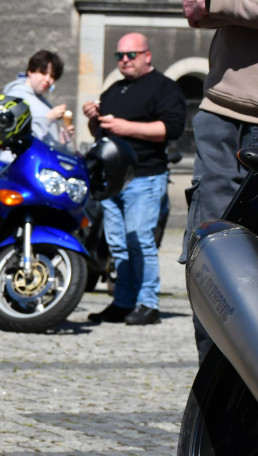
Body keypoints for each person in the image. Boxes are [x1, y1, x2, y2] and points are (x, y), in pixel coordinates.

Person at [180, 0, 258, 361]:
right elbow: (194, 11)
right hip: (218, 112)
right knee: (210, 262)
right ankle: (213, 404)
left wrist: (221, 5)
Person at [83, 33, 186, 326]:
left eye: (131, 55)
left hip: (145, 176)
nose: (124, 61)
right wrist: (93, 118)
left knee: (139, 240)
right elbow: (101, 133)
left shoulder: (165, 88)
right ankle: (123, 301)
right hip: (113, 181)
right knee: (117, 245)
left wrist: (125, 126)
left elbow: (171, 129)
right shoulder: (114, 90)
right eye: (120, 56)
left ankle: (147, 303)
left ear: (147, 55)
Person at [3, 50, 73, 147]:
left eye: (52, 76)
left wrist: (64, 136)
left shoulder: (44, 102)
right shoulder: (16, 96)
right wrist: (48, 118)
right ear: (30, 71)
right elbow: (14, 135)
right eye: (43, 73)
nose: (48, 79)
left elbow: (48, 140)